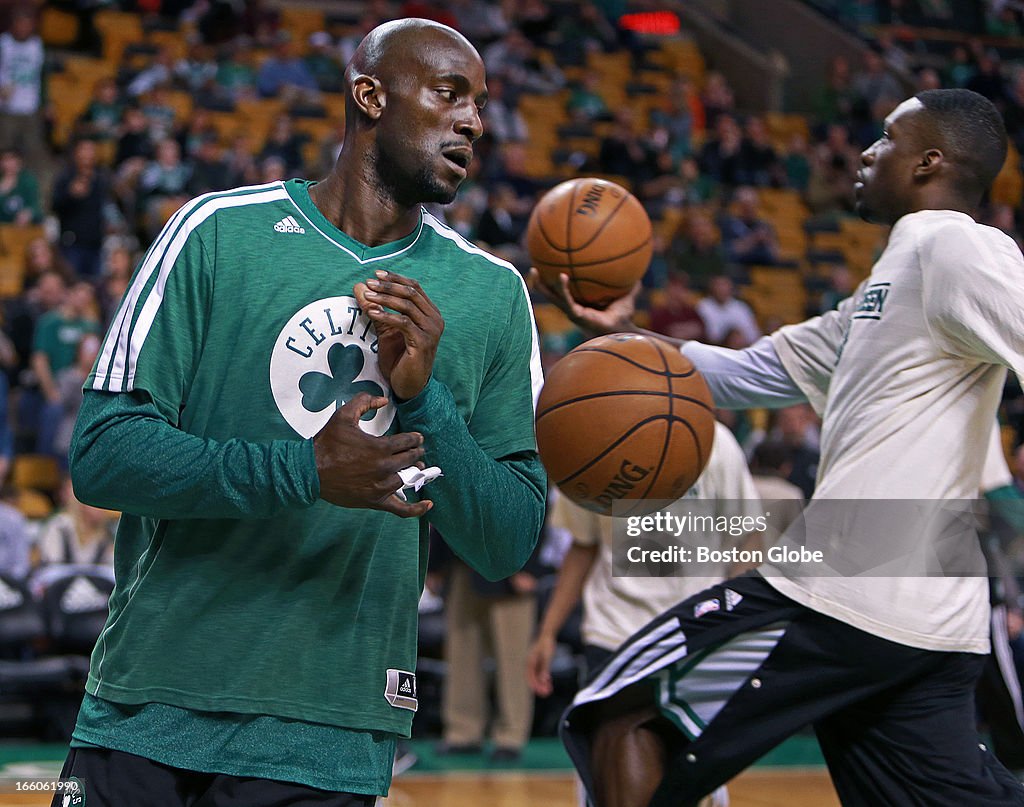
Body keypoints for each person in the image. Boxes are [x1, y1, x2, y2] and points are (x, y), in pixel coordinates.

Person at [52, 18, 545, 807]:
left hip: (330, 730)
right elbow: (104, 455)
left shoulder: (490, 293)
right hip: (152, 701)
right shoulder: (215, 233)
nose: (474, 122)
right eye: (450, 94)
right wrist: (305, 470)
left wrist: (425, 398)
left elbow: (507, 539)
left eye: (481, 105)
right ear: (370, 95)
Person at [534, 88, 1024, 806]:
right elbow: (745, 373)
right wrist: (622, 333)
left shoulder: (956, 245)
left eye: (887, 139)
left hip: (853, 586)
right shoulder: (886, 288)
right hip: (931, 616)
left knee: (626, 708)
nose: (866, 151)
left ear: (930, 162)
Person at [526, 421, 761, 807]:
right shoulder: (591, 434)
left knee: (691, 787)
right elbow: (582, 547)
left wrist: (733, 619)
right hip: (615, 637)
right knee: (611, 791)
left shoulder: (714, 438)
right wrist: (547, 632)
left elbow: (748, 537)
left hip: (694, 639)